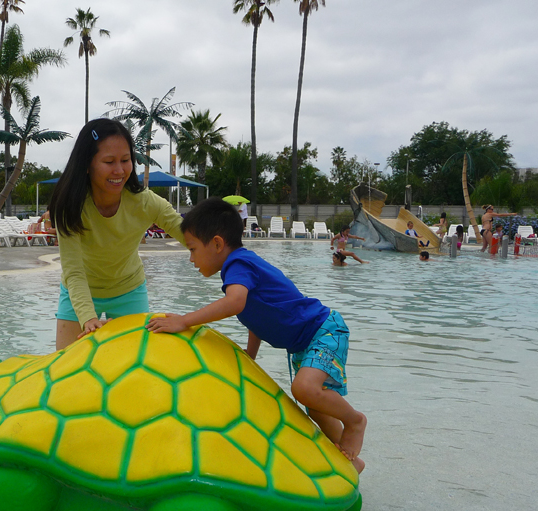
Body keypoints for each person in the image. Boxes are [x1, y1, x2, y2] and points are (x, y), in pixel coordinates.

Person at [146, 198, 366, 472]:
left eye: (192, 249)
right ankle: (348, 462)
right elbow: (257, 315)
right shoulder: (240, 267)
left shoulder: (237, 265)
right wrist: (250, 355)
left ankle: (355, 421)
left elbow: (235, 303)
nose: (191, 259)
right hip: (304, 342)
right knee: (315, 406)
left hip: (323, 329)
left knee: (304, 389)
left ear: (216, 244)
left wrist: (184, 321)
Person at [49, 118, 186, 350]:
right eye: (109, 161)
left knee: (131, 370)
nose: (119, 170)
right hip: (80, 292)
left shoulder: (145, 202)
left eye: (125, 160)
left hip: (128, 289)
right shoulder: (70, 206)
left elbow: (189, 235)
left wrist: (229, 257)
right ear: (87, 164)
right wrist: (88, 319)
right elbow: (73, 271)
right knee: (64, 368)